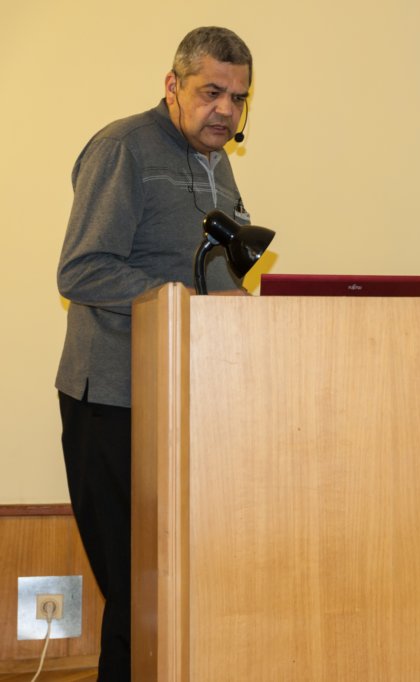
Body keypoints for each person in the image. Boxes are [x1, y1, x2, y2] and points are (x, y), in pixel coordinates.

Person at [55, 26, 253, 680]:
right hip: (114, 400)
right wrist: (170, 297)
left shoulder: (218, 165)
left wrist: (247, 310)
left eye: (238, 98)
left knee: (175, 584)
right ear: (173, 85)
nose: (224, 110)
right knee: (137, 588)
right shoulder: (124, 148)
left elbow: (215, 270)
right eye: (211, 92)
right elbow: (81, 270)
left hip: (187, 401)